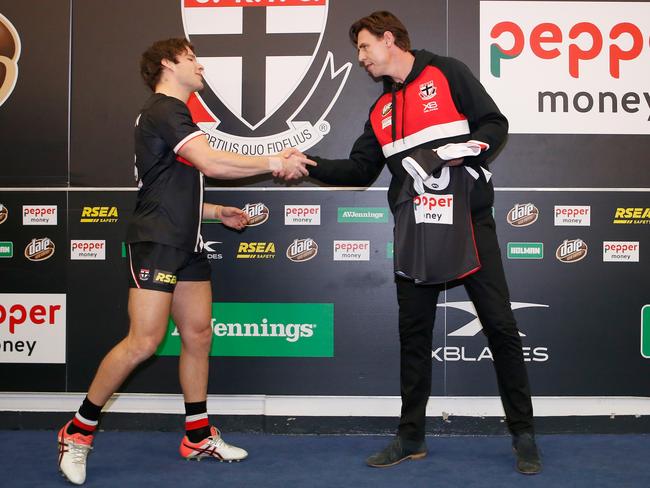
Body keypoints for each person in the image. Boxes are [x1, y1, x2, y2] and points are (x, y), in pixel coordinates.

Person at [56, 38, 315, 485]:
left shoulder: (177, 116)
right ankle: (77, 431)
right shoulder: (164, 109)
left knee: (198, 334)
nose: (201, 66)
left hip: (187, 240)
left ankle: (197, 434)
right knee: (143, 341)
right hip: (156, 242)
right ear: (166, 64)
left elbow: (172, 185)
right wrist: (275, 160)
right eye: (191, 58)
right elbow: (209, 162)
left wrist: (216, 213)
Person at [307, 11, 541, 474]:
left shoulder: (446, 71)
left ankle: (524, 435)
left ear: (389, 40)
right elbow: (359, 170)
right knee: (413, 336)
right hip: (414, 233)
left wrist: (457, 152)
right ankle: (410, 436)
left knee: (499, 326)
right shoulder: (380, 109)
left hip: (469, 224)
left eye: (364, 47)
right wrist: (308, 164)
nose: (361, 59)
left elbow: (494, 124)